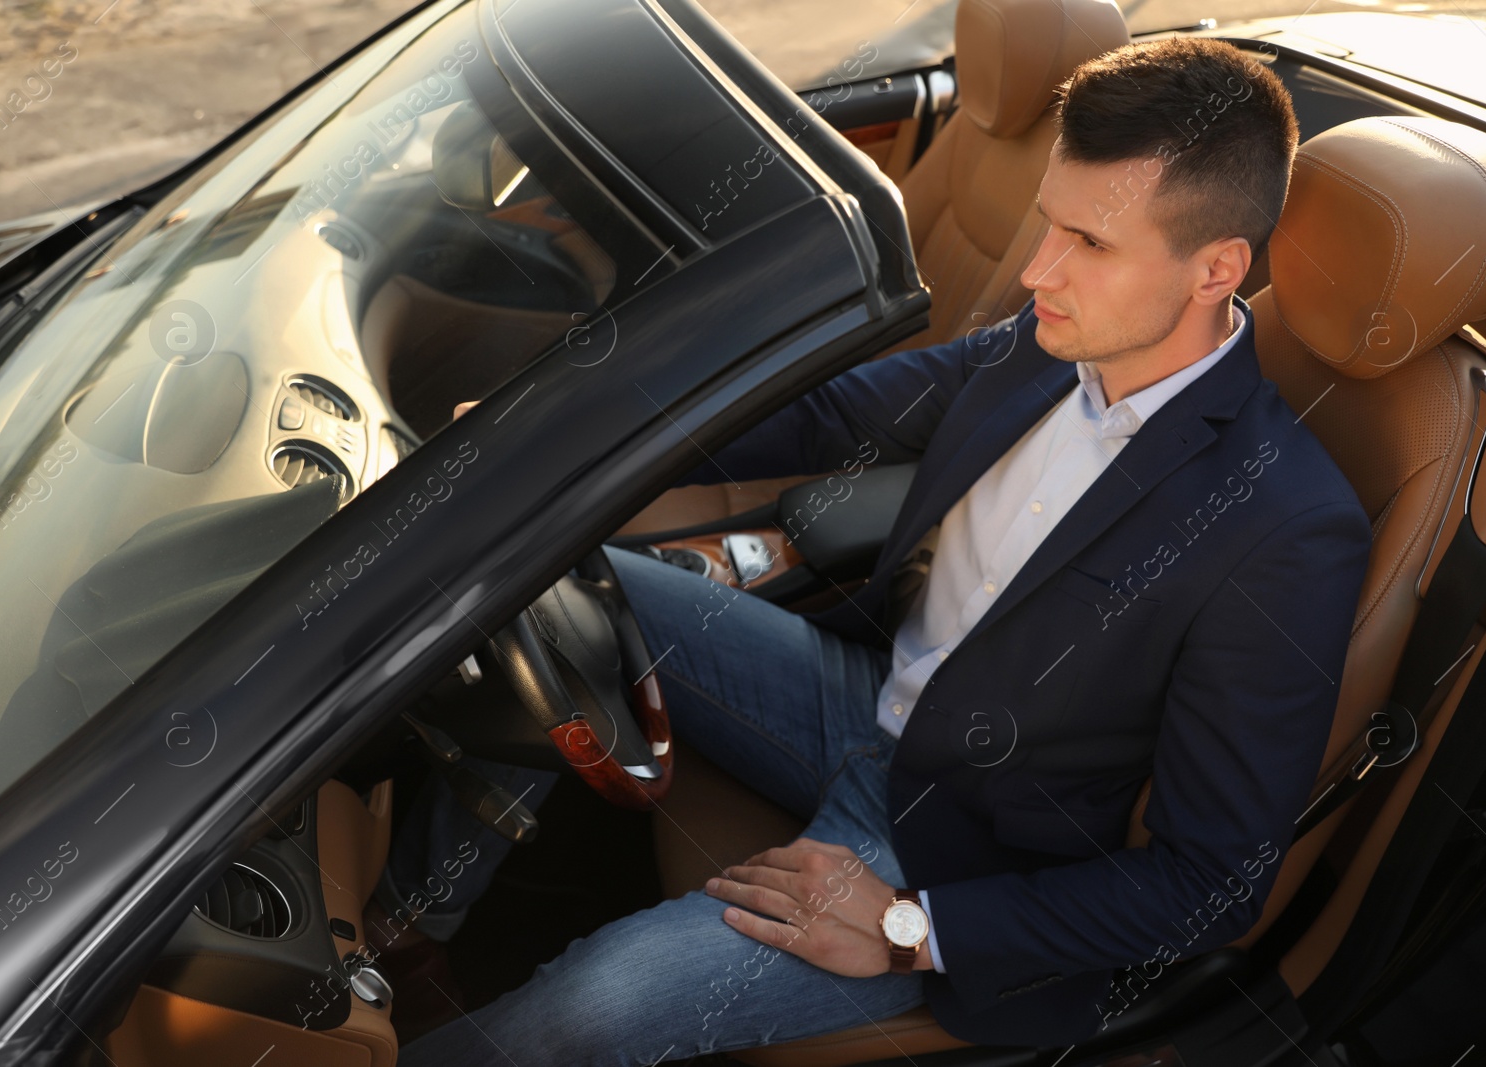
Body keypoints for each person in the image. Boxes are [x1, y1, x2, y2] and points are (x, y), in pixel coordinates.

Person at [388, 36, 1372, 1065]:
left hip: (958, 844)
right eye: (1048, 225)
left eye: (1087, 241)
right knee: (529, 571)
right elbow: (819, 415)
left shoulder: (1281, 528)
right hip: (859, 695)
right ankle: (414, 936)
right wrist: (561, 431)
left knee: (592, 1008)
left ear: (1217, 268)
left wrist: (911, 925)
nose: (1040, 271)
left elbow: (1207, 883)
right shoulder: (1045, 347)